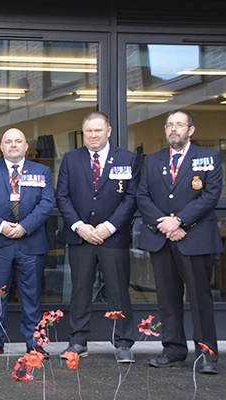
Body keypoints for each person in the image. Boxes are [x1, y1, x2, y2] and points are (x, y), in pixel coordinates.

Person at [137, 110, 221, 374]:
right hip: (162, 238)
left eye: (180, 125)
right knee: (167, 299)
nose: (174, 129)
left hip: (195, 238)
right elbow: (142, 195)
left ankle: (207, 355)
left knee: (199, 300)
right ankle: (172, 351)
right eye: (170, 125)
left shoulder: (209, 158)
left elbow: (210, 195)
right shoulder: (152, 160)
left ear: (191, 130)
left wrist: (180, 221)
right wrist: (165, 223)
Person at [56, 111, 139, 362]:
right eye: (88, 131)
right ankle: (78, 341)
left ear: (109, 131)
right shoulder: (71, 159)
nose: (93, 135)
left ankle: (123, 342)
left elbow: (132, 197)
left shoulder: (127, 159)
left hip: (112, 238)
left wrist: (110, 226)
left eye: (98, 130)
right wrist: (79, 226)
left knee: (118, 290)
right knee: (80, 290)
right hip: (81, 237)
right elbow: (62, 196)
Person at [0, 128, 54, 358]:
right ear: (1, 147)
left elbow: (47, 203)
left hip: (31, 241)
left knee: (31, 295)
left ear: (27, 146)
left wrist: (24, 226)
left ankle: (34, 343)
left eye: (19, 141)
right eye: (8, 142)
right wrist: (1, 225)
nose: (14, 145)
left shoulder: (42, 171)